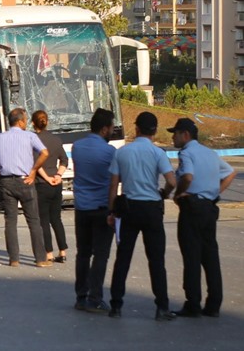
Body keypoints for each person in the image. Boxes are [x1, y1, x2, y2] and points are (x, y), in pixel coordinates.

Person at [107, 111, 177, 321]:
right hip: (152, 209)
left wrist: (111, 211)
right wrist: (163, 194)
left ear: (136, 129)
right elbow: (172, 181)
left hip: (128, 208)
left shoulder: (122, 153)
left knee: (123, 258)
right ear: (154, 131)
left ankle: (116, 305)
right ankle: (162, 307)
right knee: (156, 260)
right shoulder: (158, 154)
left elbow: (113, 186)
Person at [168, 118, 236, 318]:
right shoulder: (210, 153)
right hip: (209, 207)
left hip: (192, 209)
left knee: (191, 256)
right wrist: (215, 192)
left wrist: (179, 194)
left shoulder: (187, 153)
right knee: (210, 256)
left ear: (186, 135)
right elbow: (230, 173)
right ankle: (214, 304)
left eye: (176, 133)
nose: (173, 137)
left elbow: (187, 177)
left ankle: (193, 304)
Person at [0, 107, 51, 268]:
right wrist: (33, 171)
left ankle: (14, 259)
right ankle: (40, 258)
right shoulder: (30, 136)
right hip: (25, 181)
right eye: (25, 119)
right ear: (20, 121)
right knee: (33, 220)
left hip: (6, 182)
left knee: (10, 221)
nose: (26, 122)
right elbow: (45, 153)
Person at [71, 108, 116, 313]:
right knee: (101, 255)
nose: (113, 131)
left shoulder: (77, 147)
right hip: (101, 208)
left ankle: (81, 296)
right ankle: (95, 297)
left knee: (83, 253)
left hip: (81, 208)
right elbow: (115, 180)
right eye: (112, 127)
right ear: (105, 129)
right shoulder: (110, 152)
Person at [31, 110, 69, 263]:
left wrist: (46, 178)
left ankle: (49, 253)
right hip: (56, 184)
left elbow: (36, 163)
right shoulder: (56, 140)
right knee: (56, 218)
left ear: (33, 123)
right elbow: (64, 160)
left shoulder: (34, 140)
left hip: (42, 184)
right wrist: (58, 176)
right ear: (47, 122)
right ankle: (63, 251)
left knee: (44, 220)